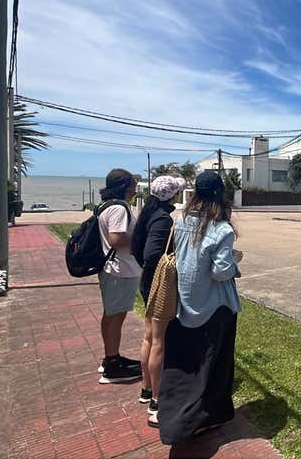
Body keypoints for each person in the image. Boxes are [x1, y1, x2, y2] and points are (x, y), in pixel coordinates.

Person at [158, 171, 242, 442]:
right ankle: (204, 418)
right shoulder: (222, 229)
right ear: (220, 195)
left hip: (184, 302)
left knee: (185, 366)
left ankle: (171, 419)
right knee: (215, 366)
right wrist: (234, 263)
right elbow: (220, 272)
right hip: (215, 307)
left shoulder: (181, 220)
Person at [130, 175, 186, 426]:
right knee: (159, 340)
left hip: (147, 281)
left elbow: (135, 249)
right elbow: (153, 253)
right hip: (158, 283)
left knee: (149, 336)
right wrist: (163, 270)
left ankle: (146, 387)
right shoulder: (163, 219)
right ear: (171, 195)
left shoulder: (147, 214)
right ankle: (157, 397)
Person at [97, 168, 143, 384]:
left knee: (111, 315)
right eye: (133, 183)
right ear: (125, 186)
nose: (135, 187)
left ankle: (111, 357)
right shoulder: (118, 208)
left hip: (113, 268)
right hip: (120, 269)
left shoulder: (106, 206)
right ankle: (113, 365)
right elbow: (117, 239)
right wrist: (141, 239)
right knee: (116, 317)